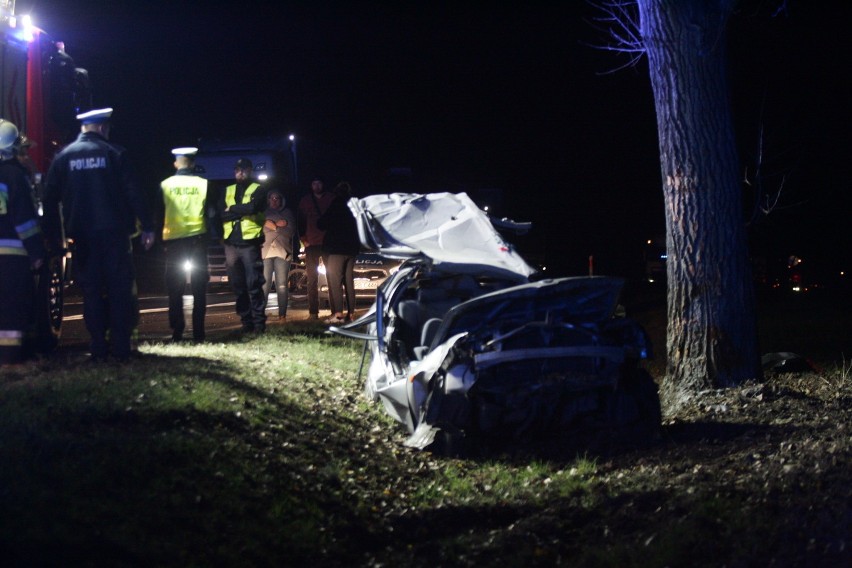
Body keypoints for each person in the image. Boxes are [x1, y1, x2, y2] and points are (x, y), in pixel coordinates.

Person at [42, 107, 155, 362]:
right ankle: (121, 347)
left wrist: (54, 236)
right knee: (119, 289)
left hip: (82, 237)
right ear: (103, 128)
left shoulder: (63, 157)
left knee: (91, 291)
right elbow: (134, 193)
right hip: (115, 235)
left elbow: (49, 201)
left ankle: (98, 347)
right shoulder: (114, 153)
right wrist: (147, 226)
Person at [0, 119, 46, 366]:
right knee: (11, 311)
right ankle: (9, 362)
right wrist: (37, 251)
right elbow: (24, 221)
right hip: (11, 258)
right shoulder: (14, 176)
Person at [160, 146, 209, 342]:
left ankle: (177, 330)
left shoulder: (165, 184)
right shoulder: (204, 184)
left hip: (174, 242)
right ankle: (199, 333)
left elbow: (158, 214)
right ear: (193, 163)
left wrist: (158, 240)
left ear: (176, 163)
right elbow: (212, 213)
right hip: (198, 241)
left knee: (174, 287)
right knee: (199, 288)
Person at [219, 158, 267, 333]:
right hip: (231, 244)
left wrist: (231, 209)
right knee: (238, 286)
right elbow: (220, 215)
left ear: (250, 171)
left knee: (254, 284)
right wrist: (241, 210)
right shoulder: (227, 190)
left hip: (250, 244)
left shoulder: (259, 189)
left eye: (244, 169)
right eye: (237, 169)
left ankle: (259, 324)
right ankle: (246, 323)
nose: (240, 172)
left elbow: (253, 208)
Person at [317, 182, 360, 324]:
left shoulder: (336, 204)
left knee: (335, 282)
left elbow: (322, 224)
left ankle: (338, 315)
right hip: (352, 248)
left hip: (336, 249)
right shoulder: (355, 205)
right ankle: (351, 314)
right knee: (349, 281)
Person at [297, 177, 334, 319]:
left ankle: (335, 311)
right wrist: (303, 239)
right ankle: (313, 312)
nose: (316, 186)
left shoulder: (331, 198)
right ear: (311, 185)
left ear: (323, 184)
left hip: (327, 244)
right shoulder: (305, 201)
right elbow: (300, 220)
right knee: (312, 279)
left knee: (332, 278)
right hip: (311, 244)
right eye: (314, 183)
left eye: (319, 183)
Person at [261, 188, 295, 321]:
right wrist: (280, 226)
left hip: (282, 252)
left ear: (281, 200)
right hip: (265, 252)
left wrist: (272, 226)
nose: (274, 200)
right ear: (268, 200)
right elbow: (259, 230)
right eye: (272, 198)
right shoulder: (263, 213)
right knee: (264, 285)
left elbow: (290, 231)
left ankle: (282, 315)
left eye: (277, 198)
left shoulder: (287, 213)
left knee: (282, 285)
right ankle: (260, 315)